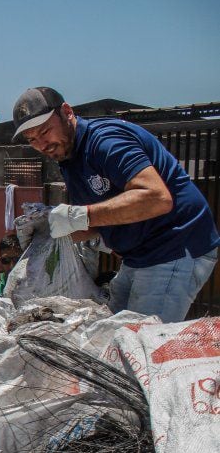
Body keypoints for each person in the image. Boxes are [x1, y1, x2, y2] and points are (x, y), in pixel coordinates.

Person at [12, 86, 220, 322]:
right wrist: (48, 229)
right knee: (108, 332)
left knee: (139, 343)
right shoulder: (69, 159)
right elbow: (95, 222)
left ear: (67, 112)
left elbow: (156, 198)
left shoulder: (105, 141)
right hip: (138, 257)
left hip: (174, 246)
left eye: (45, 131)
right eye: (32, 140)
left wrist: (77, 215)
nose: (42, 144)